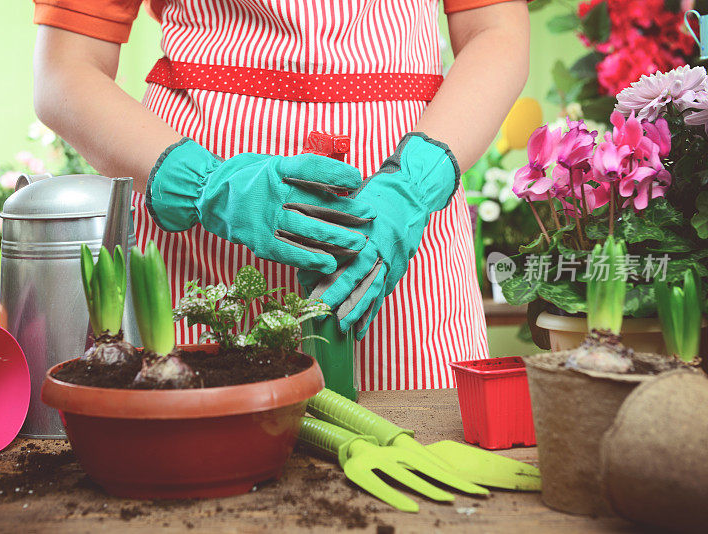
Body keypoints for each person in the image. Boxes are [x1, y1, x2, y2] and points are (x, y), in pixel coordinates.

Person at [32, 0, 530, 390]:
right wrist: (207, 184)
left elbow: (496, 32)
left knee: (420, 464)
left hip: (406, 236)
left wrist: (413, 185)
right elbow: (66, 69)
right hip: (202, 242)